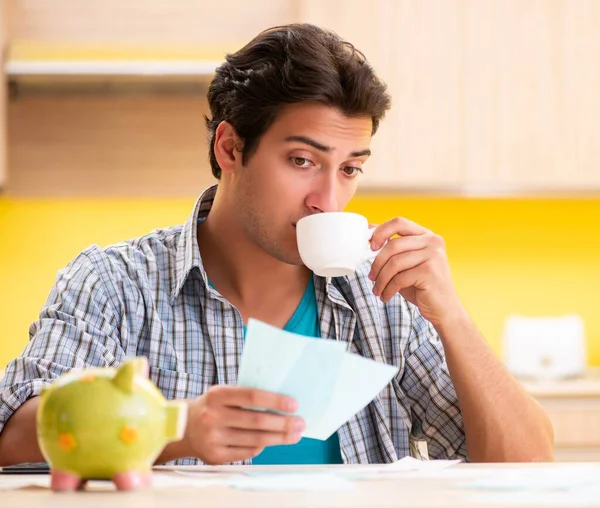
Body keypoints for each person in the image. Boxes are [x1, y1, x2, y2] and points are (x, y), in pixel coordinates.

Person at [0, 24, 553, 470]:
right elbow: (13, 432)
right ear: (230, 146)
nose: (328, 199)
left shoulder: (384, 301)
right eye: (303, 161)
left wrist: (450, 316)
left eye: (350, 168)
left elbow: (528, 462)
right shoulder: (115, 283)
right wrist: (172, 429)